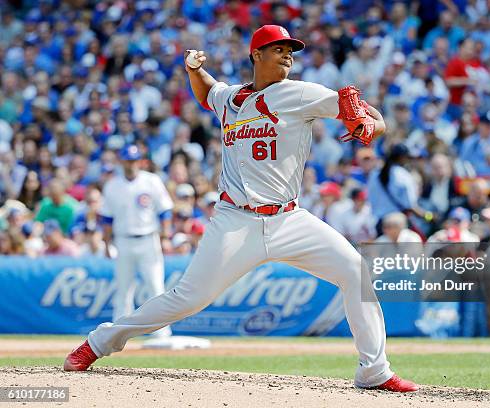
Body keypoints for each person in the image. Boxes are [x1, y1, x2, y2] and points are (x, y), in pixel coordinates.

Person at [64, 25, 418, 393]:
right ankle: (98, 343)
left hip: (289, 218)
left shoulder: (300, 93)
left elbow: (361, 111)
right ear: (256, 56)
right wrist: (194, 70)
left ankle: (373, 371)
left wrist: (374, 125)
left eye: (290, 50)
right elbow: (208, 94)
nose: (287, 55)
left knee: (355, 271)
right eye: (277, 48)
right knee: (187, 299)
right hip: (235, 220)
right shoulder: (231, 98)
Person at [98, 144, 174, 336]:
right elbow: (107, 218)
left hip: (149, 239)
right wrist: (107, 244)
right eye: (127, 160)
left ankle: (161, 333)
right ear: (121, 161)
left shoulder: (151, 181)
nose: (131, 164)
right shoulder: (113, 185)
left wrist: (165, 236)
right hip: (123, 240)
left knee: (155, 286)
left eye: (134, 160)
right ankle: (117, 334)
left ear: (140, 161)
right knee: (123, 289)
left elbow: (165, 210)